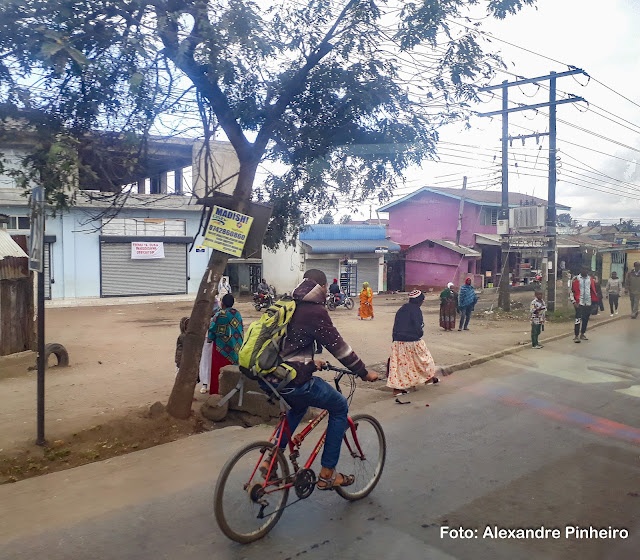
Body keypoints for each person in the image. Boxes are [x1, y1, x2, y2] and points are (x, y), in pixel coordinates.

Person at [260, 269, 379, 490]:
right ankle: (327, 474)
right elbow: (339, 348)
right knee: (339, 406)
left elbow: (289, 344)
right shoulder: (315, 310)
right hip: (292, 381)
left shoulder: (287, 302)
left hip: (269, 376)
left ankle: (271, 458)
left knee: (296, 408)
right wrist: (363, 372)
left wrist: (310, 362)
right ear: (323, 287)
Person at [387, 290, 438, 401]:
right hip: (412, 341)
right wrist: (420, 334)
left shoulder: (401, 309)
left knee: (401, 366)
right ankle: (428, 378)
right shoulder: (416, 310)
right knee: (424, 359)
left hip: (398, 341)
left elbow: (395, 325)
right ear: (419, 301)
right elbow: (417, 326)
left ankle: (397, 389)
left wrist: (394, 340)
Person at [206, 294, 244, 394]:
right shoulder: (237, 313)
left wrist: (209, 339)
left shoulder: (220, 314)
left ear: (222, 303)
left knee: (219, 372)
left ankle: (217, 393)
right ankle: (232, 392)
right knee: (233, 371)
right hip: (236, 347)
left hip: (221, 349)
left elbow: (212, 329)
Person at [570, 267, 597, 343]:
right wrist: (574, 302)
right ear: (580, 270)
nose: (585, 271)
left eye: (586, 270)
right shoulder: (576, 279)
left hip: (588, 302)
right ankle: (576, 336)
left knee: (586, 319)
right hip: (579, 302)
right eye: (583, 270)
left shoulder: (590, 279)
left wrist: (594, 301)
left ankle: (583, 333)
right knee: (578, 319)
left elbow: (593, 290)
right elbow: (571, 291)